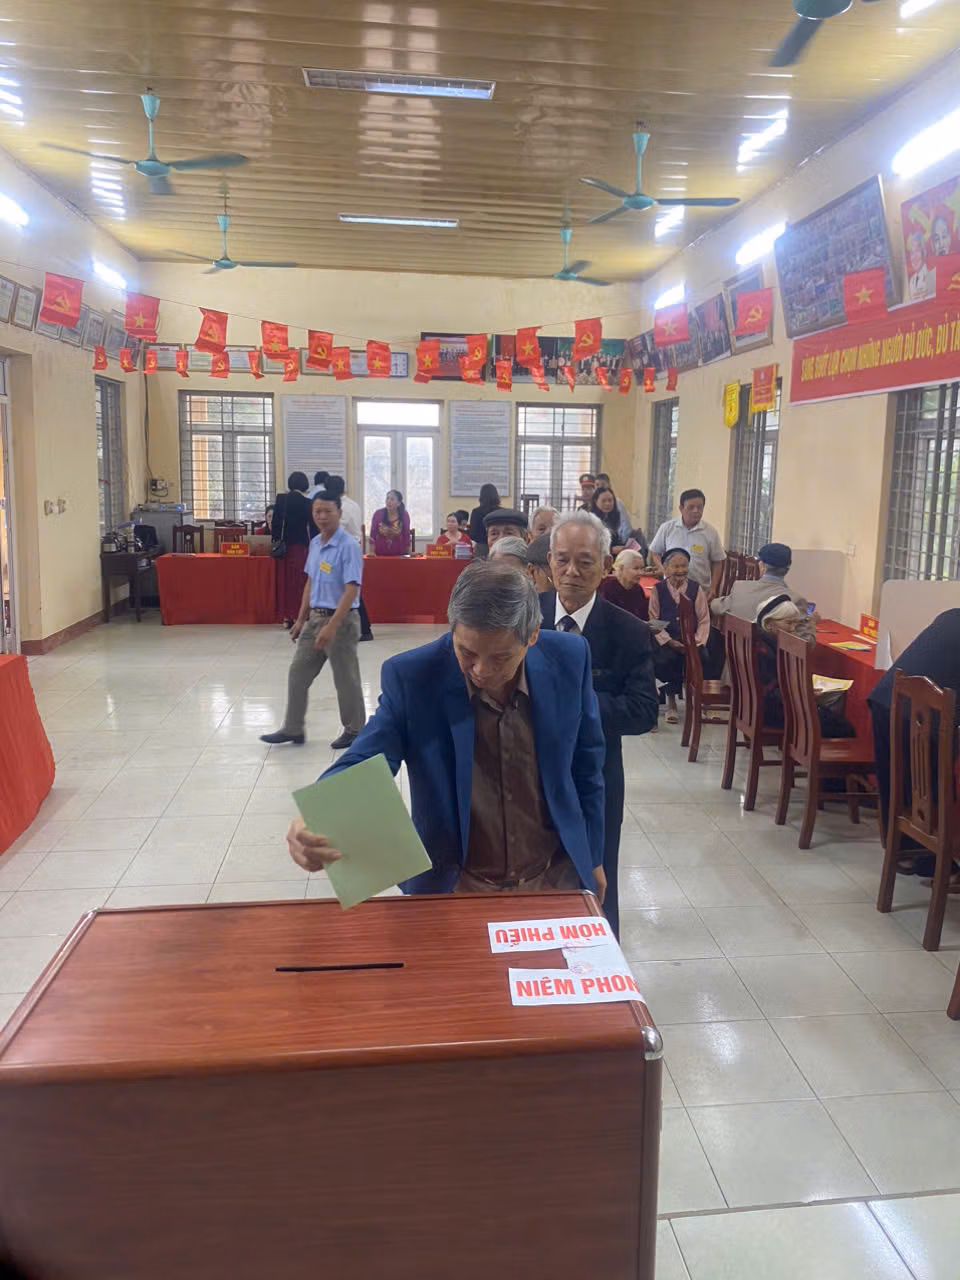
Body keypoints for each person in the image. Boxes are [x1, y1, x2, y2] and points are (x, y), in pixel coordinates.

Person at [286, 561, 607, 902]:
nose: (481, 670)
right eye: (467, 652)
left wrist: (593, 858)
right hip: (458, 886)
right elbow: (367, 756)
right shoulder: (414, 678)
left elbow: (588, 766)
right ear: (452, 628)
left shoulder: (569, 658)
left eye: (500, 658)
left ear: (532, 636)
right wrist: (319, 811)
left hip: (554, 877)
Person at [538, 510, 658, 937]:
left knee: (597, 882)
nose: (571, 572)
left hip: (597, 778)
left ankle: (604, 963)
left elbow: (643, 710)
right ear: (549, 561)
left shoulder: (627, 631)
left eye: (584, 561)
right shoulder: (523, 617)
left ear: (606, 565)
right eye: (562, 559)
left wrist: (575, 706)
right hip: (527, 772)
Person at [261, 490, 366, 751]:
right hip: (315, 619)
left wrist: (332, 626)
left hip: (341, 621)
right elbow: (310, 582)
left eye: (327, 511)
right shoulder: (316, 543)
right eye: (317, 511)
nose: (322, 516)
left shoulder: (349, 546)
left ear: (339, 513)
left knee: (345, 679)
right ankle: (293, 727)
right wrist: (300, 619)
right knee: (298, 672)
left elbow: (352, 590)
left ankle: (355, 731)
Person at [867, 608, 960, 888]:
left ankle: (904, 853)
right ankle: (939, 863)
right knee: (932, 786)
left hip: (888, 699)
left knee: (898, 779)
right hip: (923, 715)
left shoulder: (951, 616)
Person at [755, 595, 854, 738]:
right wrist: (803, 694)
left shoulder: (762, 641)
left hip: (764, 707)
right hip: (776, 712)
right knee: (843, 728)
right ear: (769, 623)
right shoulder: (765, 651)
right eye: (788, 623)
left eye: (795, 623)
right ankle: (809, 745)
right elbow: (772, 695)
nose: (793, 629)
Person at [648, 547, 710, 725]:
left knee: (704, 657)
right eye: (676, 566)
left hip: (692, 640)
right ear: (666, 568)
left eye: (684, 566)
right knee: (665, 659)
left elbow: (704, 618)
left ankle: (701, 701)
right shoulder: (658, 589)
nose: (681, 570)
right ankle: (671, 703)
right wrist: (668, 641)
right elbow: (653, 620)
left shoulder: (696, 588)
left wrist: (696, 642)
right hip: (668, 639)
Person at [711, 542, 813, 628]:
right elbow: (804, 640)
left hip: (733, 646)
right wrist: (812, 621)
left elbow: (715, 607)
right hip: (769, 647)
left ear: (761, 566)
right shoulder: (795, 600)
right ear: (787, 570)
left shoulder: (740, 588)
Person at [648, 488, 725, 600]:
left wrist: (713, 587)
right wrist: (664, 570)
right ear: (681, 508)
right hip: (670, 588)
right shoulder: (668, 528)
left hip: (699, 591)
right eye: (691, 507)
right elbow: (655, 552)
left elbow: (717, 562)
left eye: (699, 507)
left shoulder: (710, 532)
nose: (696, 511)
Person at [326, 474, 372, 642]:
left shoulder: (341, 507)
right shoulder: (353, 504)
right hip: (352, 549)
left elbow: (337, 530)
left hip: (344, 552)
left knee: (350, 591)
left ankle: (364, 629)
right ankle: (359, 628)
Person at [271, 471, 318, 626]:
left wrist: (276, 543)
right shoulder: (307, 503)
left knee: (285, 583)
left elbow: (275, 525)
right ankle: (299, 616)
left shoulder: (281, 500)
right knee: (299, 582)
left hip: (283, 549)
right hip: (300, 548)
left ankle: (286, 617)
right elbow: (313, 528)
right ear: (304, 485)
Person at [598, 549, 649, 621]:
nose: (641, 573)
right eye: (636, 568)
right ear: (621, 568)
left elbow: (644, 615)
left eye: (642, 568)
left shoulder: (637, 588)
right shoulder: (607, 589)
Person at [369, 489, 411, 556]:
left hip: (399, 555)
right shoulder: (378, 514)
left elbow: (406, 535)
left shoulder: (404, 515)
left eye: (392, 499)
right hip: (380, 555)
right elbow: (373, 534)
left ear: (399, 503)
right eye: (387, 498)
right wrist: (371, 551)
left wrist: (409, 553)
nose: (388, 501)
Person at [590, 486, 632, 552]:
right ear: (596, 501)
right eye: (603, 501)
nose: (607, 503)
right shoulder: (590, 520)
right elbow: (590, 546)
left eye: (610, 500)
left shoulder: (614, 516)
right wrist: (611, 550)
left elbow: (614, 540)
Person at [467, 483, 501, 556]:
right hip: (498, 546)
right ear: (496, 496)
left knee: (480, 564)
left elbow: (473, 534)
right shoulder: (501, 512)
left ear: (481, 496)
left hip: (481, 548)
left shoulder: (476, 512)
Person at [595, 474, 632, 538]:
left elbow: (626, 526)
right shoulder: (592, 504)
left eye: (603, 485)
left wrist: (621, 542)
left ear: (609, 485)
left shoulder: (617, 503)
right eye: (597, 485)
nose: (600, 487)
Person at [906, 230, 933, 302]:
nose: (914, 257)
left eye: (917, 251)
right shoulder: (911, 281)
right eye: (912, 253)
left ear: (924, 253)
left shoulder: (932, 276)